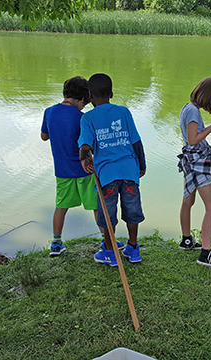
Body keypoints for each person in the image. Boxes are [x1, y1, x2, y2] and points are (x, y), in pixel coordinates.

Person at [78, 73, 146, 266]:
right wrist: (141, 166)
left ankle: (110, 252)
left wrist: (84, 158)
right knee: (132, 210)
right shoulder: (124, 111)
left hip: (107, 175)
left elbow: (85, 147)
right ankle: (133, 248)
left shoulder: (88, 118)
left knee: (106, 214)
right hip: (129, 171)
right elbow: (136, 141)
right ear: (112, 94)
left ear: (90, 96)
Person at [177, 77, 211, 270]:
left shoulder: (188, 107)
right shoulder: (192, 111)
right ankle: (206, 253)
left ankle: (186, 240)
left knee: (188, 201)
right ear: (208, 96)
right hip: (198, 162)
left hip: (190, 161)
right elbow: (193, 139)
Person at [41, 76, 99, 257]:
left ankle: (56, 243)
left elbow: (44, 136)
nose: (85, 106)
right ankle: (107, 240)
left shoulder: (49, 112)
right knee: (97, 205)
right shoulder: (82, 118)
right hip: (86, 170)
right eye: (85, 102)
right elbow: (91, 144)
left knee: (61, 206)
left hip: (62, 170)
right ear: (82, 98)